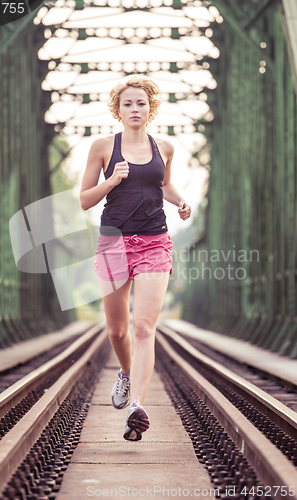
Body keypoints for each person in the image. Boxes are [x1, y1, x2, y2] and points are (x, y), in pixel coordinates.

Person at [80, 74, 191, 441]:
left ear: (150, 108)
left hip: (154, 241)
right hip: (113, 242)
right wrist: (111, 181)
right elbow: (84, 199)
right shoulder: (102, 147)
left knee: (143, 327)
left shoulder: (165, 147)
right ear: (118, 109)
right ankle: (126, 374)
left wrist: (180, 202)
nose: (134, 108)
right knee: (117, 330)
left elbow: (164, 184)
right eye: (127, 103)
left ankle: (136, 407)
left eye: (140, 103)